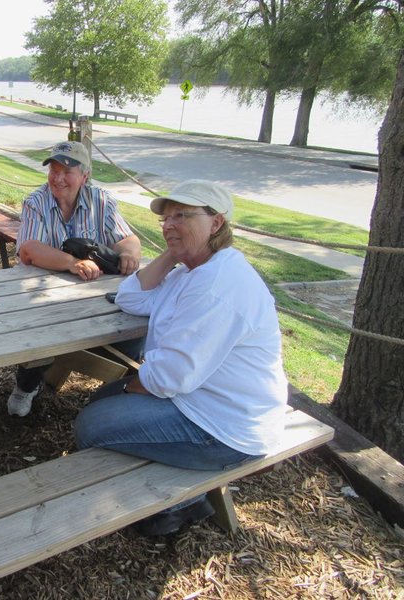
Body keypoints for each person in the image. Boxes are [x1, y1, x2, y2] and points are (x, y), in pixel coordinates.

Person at [75, 180, 288, 536]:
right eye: (166, 219)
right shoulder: (190, 271)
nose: (169, 224)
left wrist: (128, 388)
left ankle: (176, 505)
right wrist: (173, 252)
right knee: (101, 402)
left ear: (216, 223)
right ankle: (176, 491)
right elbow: (130, 298)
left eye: (182, 216)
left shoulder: (217, 284)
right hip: (202, 401)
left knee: (91, 425)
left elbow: (169, 378)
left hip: (226, 428)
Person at [6, 140, 142, 417]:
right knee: (38, 330)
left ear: (85, 176)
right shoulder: (37, 201)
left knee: (136, 326)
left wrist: (128, 252)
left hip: (90, 294)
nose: (58, 178)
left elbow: (128, 238)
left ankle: (121, 389)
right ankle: (26, 386)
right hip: (40, 296)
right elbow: (29, 249)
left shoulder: (101, 200)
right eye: (53, 170)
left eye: (67, 171)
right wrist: (73, 263)